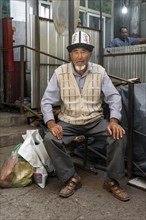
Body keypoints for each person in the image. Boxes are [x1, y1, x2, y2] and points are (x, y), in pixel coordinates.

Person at [41, 31, 130, 202]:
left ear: (90, 53)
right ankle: (71, 178)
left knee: (118, 135)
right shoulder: (60, 73)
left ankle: (112, 181)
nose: (80, 56)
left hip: (94, 121)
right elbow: (46, 101)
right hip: (69, 121)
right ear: (70, 54)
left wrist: (113, 120)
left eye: (84, 51)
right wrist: (51, 123)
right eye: (76, 51)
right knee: (50, 138)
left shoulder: (99, 71)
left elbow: (114, 97)